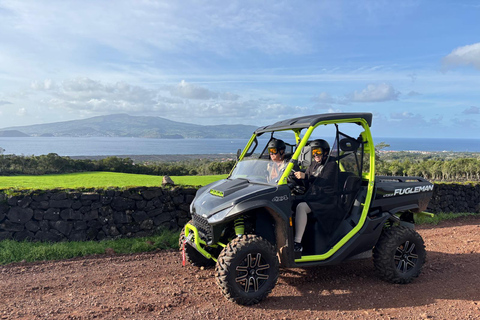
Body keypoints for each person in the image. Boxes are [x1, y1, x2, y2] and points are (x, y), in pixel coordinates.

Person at [292, 139, 336, 253]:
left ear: (325, 152)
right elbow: (307, 180)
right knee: (290, 201)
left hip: (326, 199)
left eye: (318, 151)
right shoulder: (314, 164)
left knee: (301, 207)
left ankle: (297, 243)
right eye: (313, 152)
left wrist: (305, 177)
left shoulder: (331, 164)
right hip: (314, 196)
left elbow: (324, 181)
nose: (315, 154)